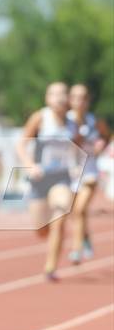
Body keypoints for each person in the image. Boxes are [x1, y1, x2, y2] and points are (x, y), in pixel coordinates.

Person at [17, 82, 78, 281]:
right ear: (47, 98)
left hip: (61, 177)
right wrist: (30, 165)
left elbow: (77, 147)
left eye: (63, 93)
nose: (59, 97)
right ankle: (48, 233)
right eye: (54, 93)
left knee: (60, 218)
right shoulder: (41, 117)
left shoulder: (72, 123)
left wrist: (78, 162)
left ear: (68, 99)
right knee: (41, 229)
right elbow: (21, 144)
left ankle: (50, 267)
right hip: (39, 178)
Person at [67, 84, 111, 263]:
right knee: (74, 212)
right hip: (69, 172)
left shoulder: (94, 120)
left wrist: (102, 145)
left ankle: (76, 249)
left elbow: (106, 136)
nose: (80, 101)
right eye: (76, 97)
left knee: (80, 209)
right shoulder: (66, 120)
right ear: (70, 99)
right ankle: (86, 238)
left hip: (90, 171)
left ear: (88, 100)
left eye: (83, 97)